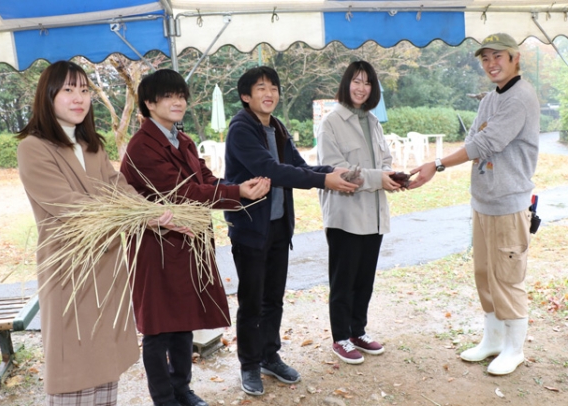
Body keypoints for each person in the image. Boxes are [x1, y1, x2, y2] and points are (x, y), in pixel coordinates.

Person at [16, 61, 186, 405]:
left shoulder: (92, 145)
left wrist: (153, 214)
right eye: (68, 90)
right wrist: (132, 216)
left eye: (84, 90)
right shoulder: (33, 147)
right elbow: (69, 206)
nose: (79, 98)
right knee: (74, 365)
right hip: (70, 274)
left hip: (107, 268)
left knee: (105, 365)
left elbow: (118, 187)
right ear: (47, 97)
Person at [119, 69, 270, 406]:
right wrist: (235, 193)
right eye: (169, 96)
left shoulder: (181, 139)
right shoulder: (141, 146)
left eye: (182, 96)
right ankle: (163, 397)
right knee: (158, 328)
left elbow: (204, 178)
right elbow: (182, 193)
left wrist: (238, 189)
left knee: (184, 319)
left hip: (188, 244)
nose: (179, 102)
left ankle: (182, 387)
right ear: (149, 103)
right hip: (155, 247)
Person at [224, 66, 359, 396]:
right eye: (260, 88)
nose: (269, 93)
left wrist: (331, 171)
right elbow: (271, 170)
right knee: (252, 301)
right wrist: (324, 180)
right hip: (250, 230)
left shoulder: (277, 127)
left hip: (278, 228)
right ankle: (249, 365)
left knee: (273, 299)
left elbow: (297, 166)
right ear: (246, 96)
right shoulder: (242, 128)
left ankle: (270, 356)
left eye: (273, 87)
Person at [410, 33, 539, 375]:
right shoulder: (490, 99)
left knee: (507, 275)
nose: (491, 64)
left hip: (509, 204)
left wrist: (436, 164)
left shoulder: (520, 97)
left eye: (498, 56)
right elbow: (474, 139)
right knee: (484, 273)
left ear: (515, 59)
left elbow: (487, 141)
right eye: (485, 58)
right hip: (483, 201)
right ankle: (493, 339)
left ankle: (514, 348)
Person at [316, 61, 400, 364]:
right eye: (356, 81)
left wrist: (392, 175)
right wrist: (380, 178)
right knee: (344, 280)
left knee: (364, 279)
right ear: (346, 83)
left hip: (374, 214)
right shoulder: (331, 122)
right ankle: (340, 337)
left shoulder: (373, 121)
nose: (361, 87)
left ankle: (357, 331)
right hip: (346, 216)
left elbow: (386, 157)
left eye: (367, 82)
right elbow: (339, 173)